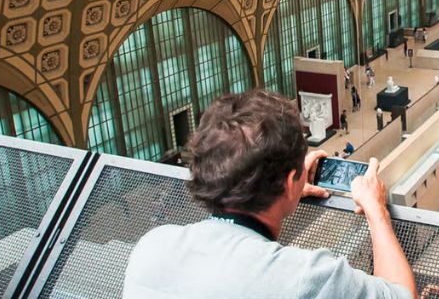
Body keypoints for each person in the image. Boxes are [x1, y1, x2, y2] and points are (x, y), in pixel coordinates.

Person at [122, 90, 415, 299]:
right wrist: (377, 211)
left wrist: (284, 189)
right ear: (289, 182)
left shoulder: (152, 247)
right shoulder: (308, 277)